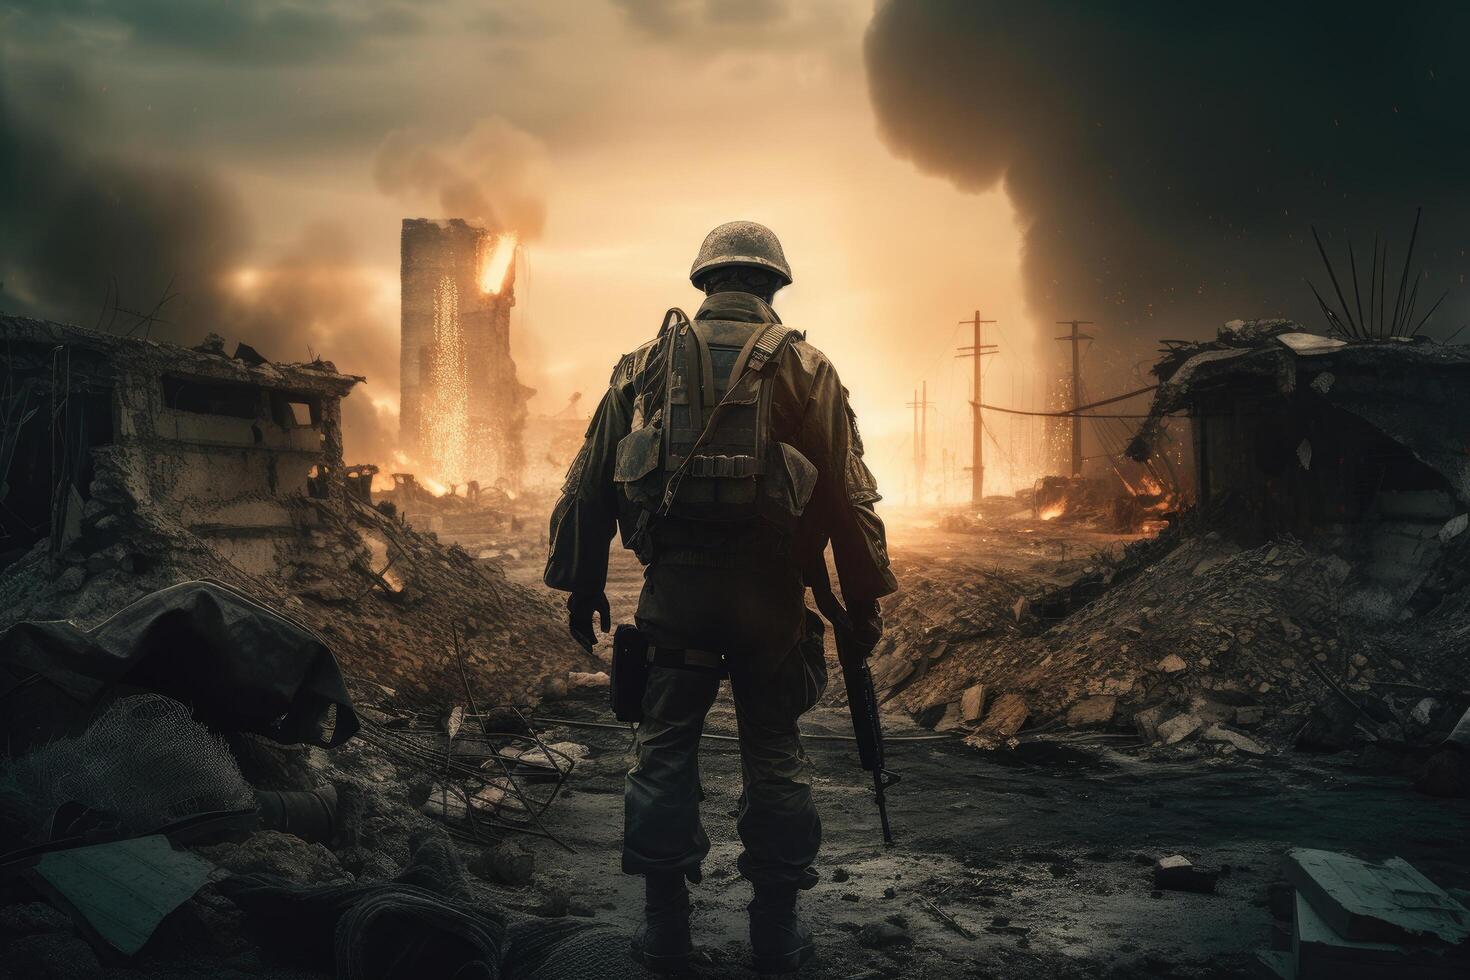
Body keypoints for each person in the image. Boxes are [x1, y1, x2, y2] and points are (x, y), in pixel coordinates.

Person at [545, 220, 896, 973]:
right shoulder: (807, 366)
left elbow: (589, 482)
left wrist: (582, 584)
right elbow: (848, 493)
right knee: (775, 753)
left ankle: (665, 933)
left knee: (664, 750)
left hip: (676, 597)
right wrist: (861, 600)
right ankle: (776, 935)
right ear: (774, 285)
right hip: (770, 601)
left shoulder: (642, 363)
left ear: (704, 282)